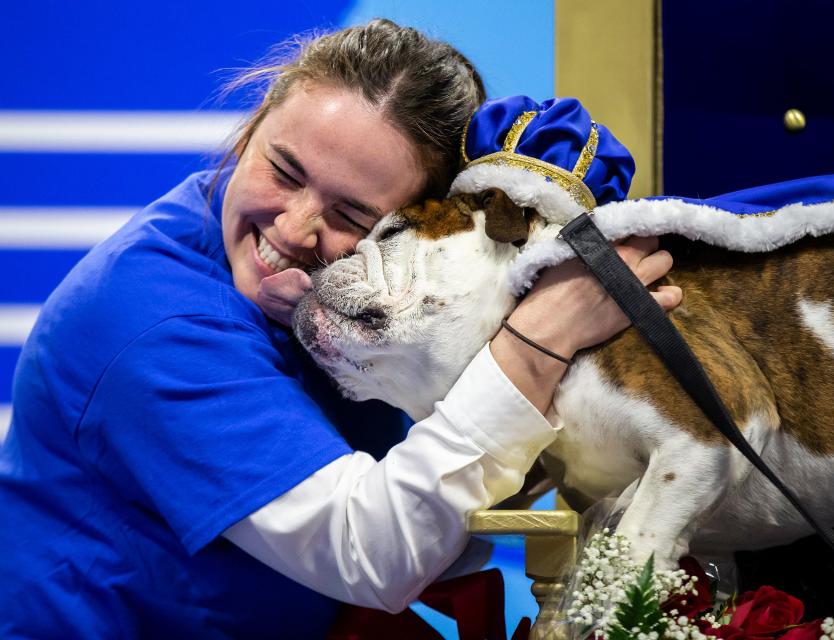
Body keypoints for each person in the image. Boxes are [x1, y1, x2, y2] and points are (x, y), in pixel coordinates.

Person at [0, 19, 680, 639]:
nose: (293, 230)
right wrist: (538, 342)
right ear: (255, 122)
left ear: (422, 232)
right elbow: (370, 552)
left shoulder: (361, 294)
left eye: (353, 217)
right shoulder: (153, 321)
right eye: (283, 169)